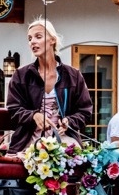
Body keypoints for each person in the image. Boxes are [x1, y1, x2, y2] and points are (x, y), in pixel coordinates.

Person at [6, 19, 93, 153]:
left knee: (69, 160)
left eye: (38, 37)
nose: (32, 42)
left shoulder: (73, 76)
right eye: (30, 39)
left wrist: (68, 121)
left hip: (64, 139)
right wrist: (34, 116)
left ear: (52, 40)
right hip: (28, 140)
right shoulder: (21, 75)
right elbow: (13, 108)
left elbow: (85, 111)